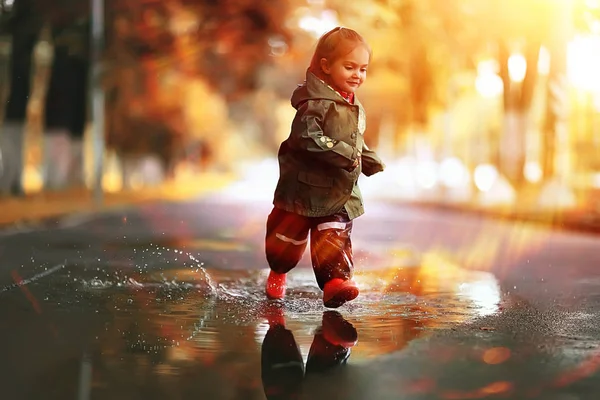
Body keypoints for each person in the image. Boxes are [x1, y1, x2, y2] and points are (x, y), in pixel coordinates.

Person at [264, 26, 385, 308]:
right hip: (303, 188)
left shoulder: (352, 103)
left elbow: (352, 140)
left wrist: (367, 157)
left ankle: (335, 283)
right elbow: (307, 137)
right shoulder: (314, 104)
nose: (358, 75)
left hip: (337, 189)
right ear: (326, 66)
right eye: (350, 67)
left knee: (334, 232)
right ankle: (278, 271)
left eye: (363, 69)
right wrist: (344, 154)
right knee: (287, 241)